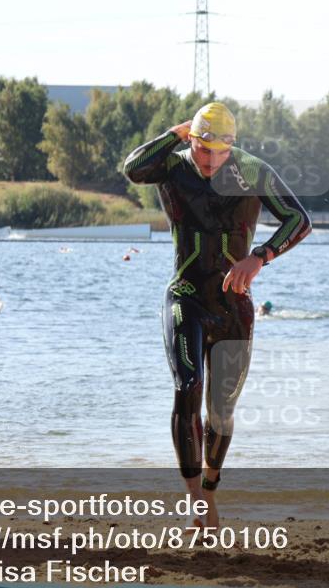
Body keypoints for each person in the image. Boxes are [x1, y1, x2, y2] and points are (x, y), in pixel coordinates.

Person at [123, 102, 311, 530]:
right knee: (186, 385)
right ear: (192, 141)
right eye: (202, 150)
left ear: (232, 146)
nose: (208, 162)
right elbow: (133, 168)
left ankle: (210, 487)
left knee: (221, 410)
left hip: (233, 306)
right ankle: (196, 501)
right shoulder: (172, 166)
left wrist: (260, 257)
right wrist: (175, 133)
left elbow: (299, 219)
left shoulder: (252, 171)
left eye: (218, 153)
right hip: (186, 296)